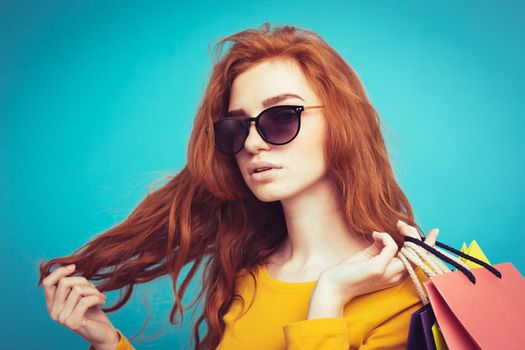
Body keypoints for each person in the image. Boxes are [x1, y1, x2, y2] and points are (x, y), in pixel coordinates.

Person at [37, 22, 439, 350]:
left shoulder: (402, 296)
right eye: (236, 127)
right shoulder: (248, 276)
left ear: (342, 124)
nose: (251, 143)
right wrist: (108, 343)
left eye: (281, 116)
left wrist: (329, 299)